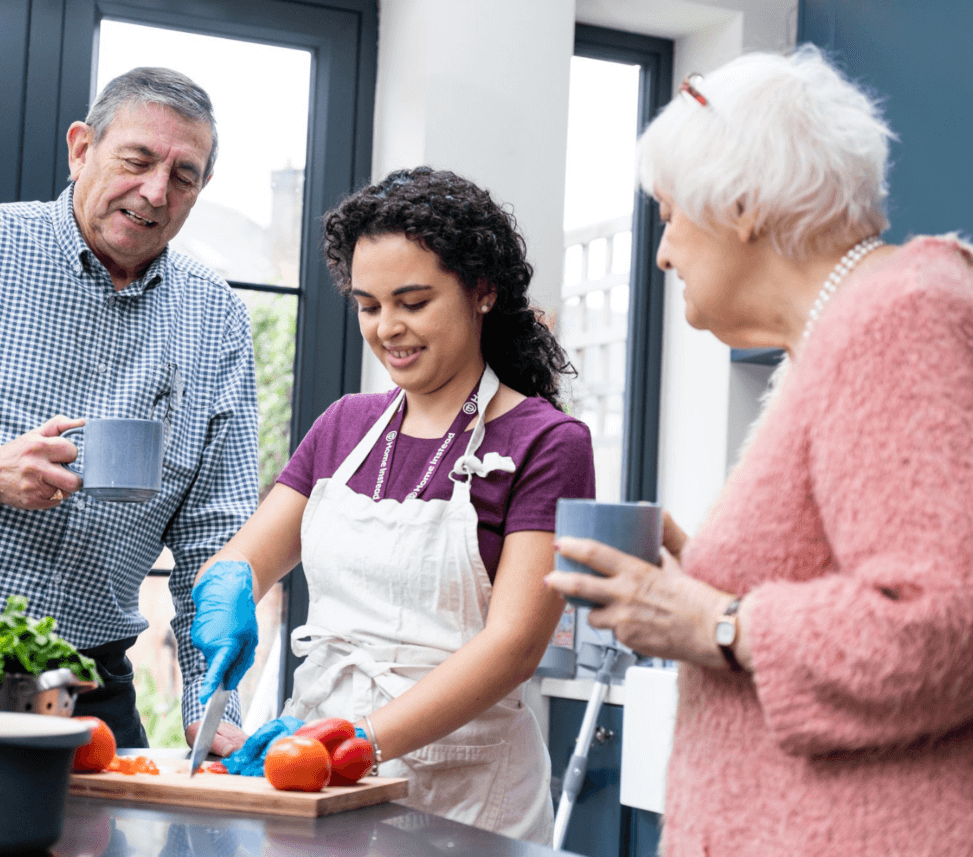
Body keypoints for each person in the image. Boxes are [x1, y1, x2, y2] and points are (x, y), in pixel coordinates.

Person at [545, 45, 973, 856]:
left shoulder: (900, 316)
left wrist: (715, 621)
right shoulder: (842, 334)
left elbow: (945, 622)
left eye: (669, 213)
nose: (664, 251)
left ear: (740, 203)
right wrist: (691, 590)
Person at [190, 166, 595, 842]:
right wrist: (228, 585)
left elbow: (514, 645)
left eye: (413, 301)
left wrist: (358, 739)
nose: (388, 329)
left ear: (483, 292)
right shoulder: (345, 425)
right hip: (316, 772)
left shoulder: (548, 442)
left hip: (466, 794)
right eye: (369, 304)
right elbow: (246, 556)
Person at [0, 67, 259, 752]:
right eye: (137, 160)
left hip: (91, 682)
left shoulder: (217, 317)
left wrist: (209, 704)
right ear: (80, 149)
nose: (156, 192)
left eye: (183, 176)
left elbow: (213, 534)